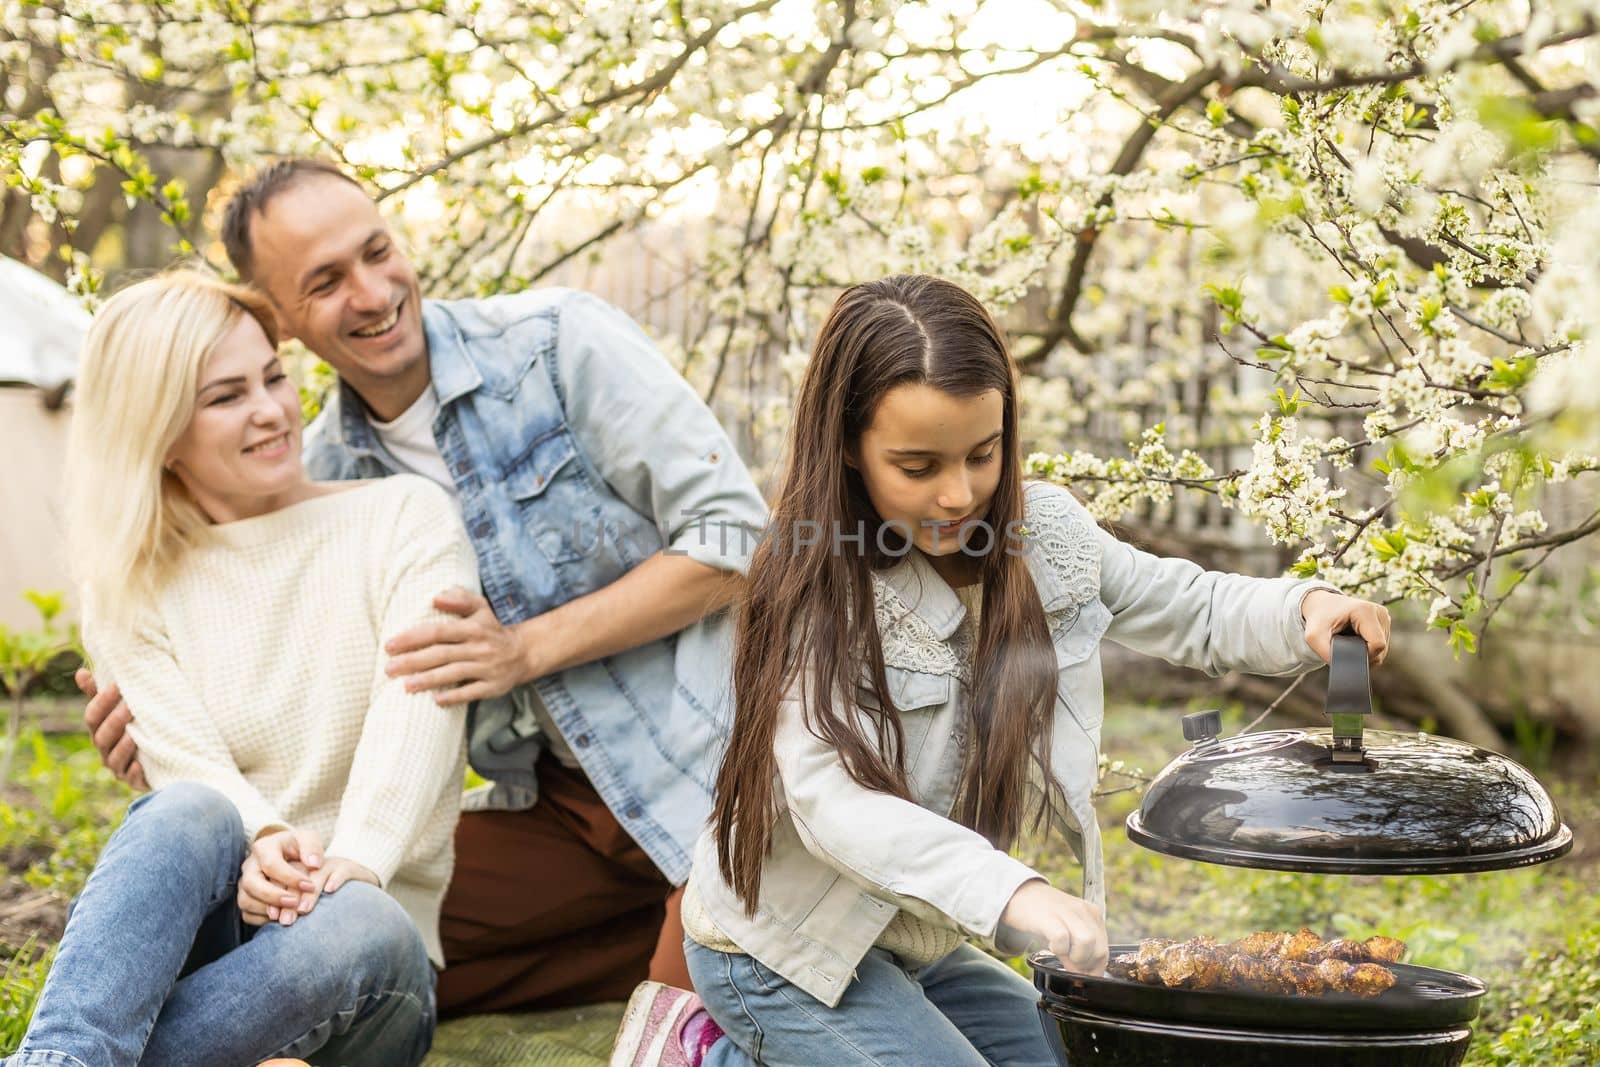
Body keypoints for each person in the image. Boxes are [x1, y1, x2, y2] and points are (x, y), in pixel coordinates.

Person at [609, 274, 1392, 1066]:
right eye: (917, 467)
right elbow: (834, 804)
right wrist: (1013, 891)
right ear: (848, 446)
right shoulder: (817, 584)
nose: (959, 494)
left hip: (911, 936)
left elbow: (1189, 605)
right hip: (781, 948)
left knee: (1080, 1058)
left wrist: (1308, 610)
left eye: (982, 454)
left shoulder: (1042, 534)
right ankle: (705, 1053)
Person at [79, 158, 770, 1013]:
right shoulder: (324, 480)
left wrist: (525, 649)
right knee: (358, 951)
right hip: (560, 807)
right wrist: (156, 738)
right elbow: (305, 701)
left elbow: (741, 537)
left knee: (693, 1013)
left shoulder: (556, 344)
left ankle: (730, 943)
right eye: (326, 281)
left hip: (718, 771)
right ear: (280, 320)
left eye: (378, 251)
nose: (372, 292)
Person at [9, 270, 477, 1066]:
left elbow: (418, 718)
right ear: (158, 433)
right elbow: (185, 763)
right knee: (187, 809)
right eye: (226, 396)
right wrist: (259, 834)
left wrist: (337, 870)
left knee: (358, 915)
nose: (271, 409)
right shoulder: (128, 583)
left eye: (274, 375)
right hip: (213, 946)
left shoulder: (401, 518)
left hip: (365, 962)